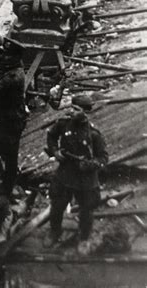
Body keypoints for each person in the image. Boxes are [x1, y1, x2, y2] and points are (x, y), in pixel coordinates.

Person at [45, 94, 108, 253]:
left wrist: (89, 165)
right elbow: (51, 136)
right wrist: (55, 151)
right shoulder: (63, 124)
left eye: (76, 109)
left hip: (85, 177)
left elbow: (103, 158)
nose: (72, 111)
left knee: (86, 210)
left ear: (85, 112)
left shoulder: (93, 134)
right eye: (72, 108)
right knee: (57, 205)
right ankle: (55, 232)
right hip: (65, 172)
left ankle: (84, 238)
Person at [0, 38, 27, 197]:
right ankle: (6, 178)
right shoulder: (15, 67)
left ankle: (7, 187)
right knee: (7, 151)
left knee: (9, 154)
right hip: (10, 116)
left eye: (7, 56)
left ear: (14, 57)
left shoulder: (12, 77)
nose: (4, 58)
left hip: (11, 119)